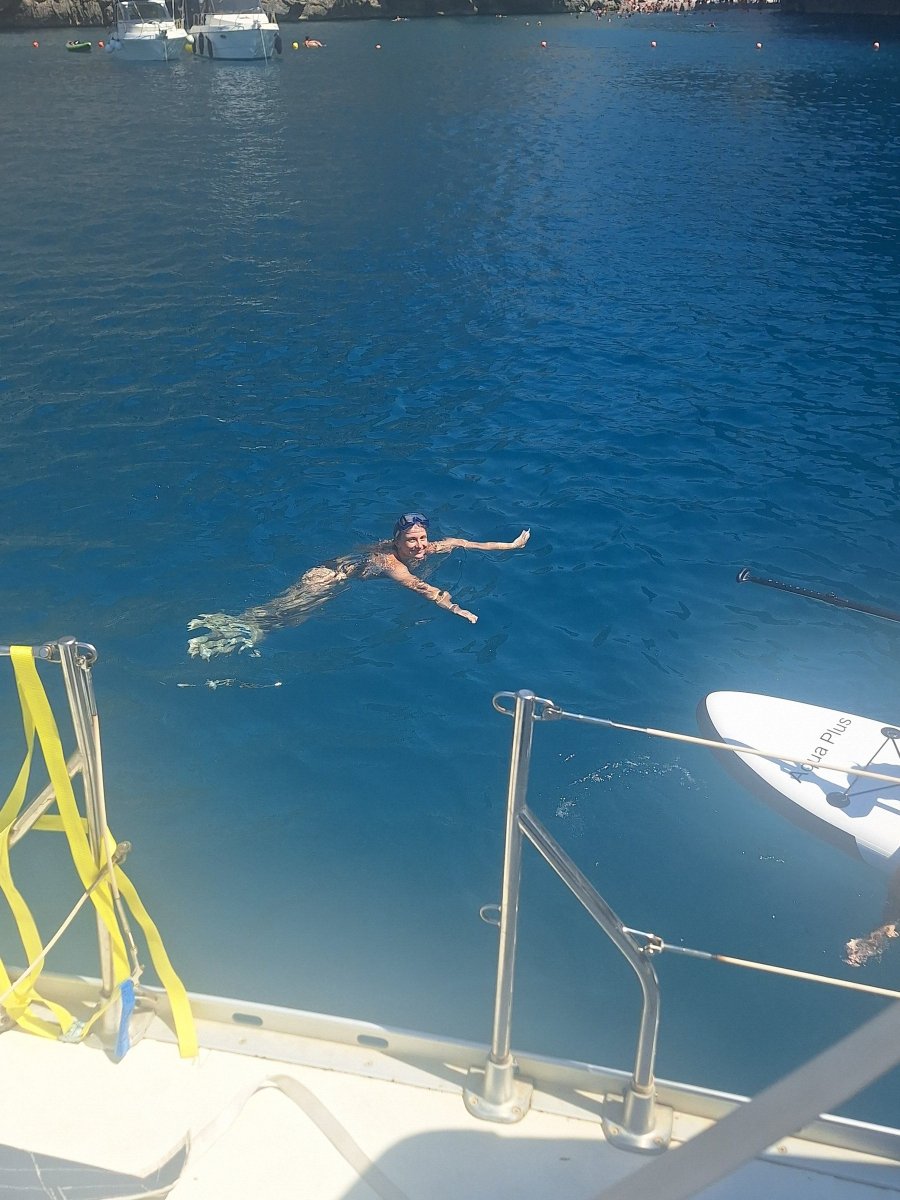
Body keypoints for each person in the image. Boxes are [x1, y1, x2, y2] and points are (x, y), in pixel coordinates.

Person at [187, 513, 530, 659]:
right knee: (286, 617)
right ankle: (238, 628)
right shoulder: (394, 566)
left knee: (282, 613)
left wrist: (511, 546)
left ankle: (237, 624)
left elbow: (471, 544)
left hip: (336, 572)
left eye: (423, 538)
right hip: (326, 578)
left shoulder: (433, 546)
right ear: (397, 541)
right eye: (411, 540)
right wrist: (456, 608)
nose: (420, 546)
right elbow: (419, 587)